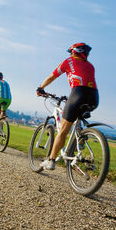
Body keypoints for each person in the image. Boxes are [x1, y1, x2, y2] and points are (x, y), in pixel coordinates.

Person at [36, 42, 99, 170]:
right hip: (94, 97)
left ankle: (51, 160)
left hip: (78, 94)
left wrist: (41, 87)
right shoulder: (90, 66)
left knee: (63, 131)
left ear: (74, 51)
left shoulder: (69, 61)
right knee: (77, 119)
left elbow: (52, 76)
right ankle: (80, 139)